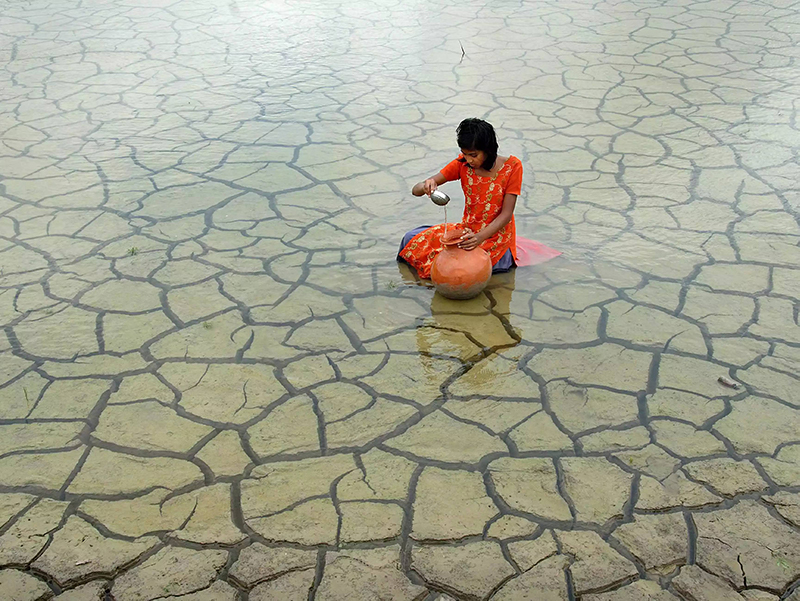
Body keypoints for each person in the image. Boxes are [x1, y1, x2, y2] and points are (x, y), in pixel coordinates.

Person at [398, 118, 521, 279]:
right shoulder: (462, 164)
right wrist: (427, 185)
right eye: (465, 154)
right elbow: (416, 190)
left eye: (474, 155)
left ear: (488, 150)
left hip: (495, 237)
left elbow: (506, 214)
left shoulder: (512, 167)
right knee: (410, 239)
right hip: (466, 232)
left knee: (464, 271)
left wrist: (479, 238)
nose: (469, 159)